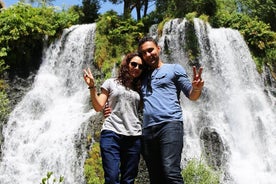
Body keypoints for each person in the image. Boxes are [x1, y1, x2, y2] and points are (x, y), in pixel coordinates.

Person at [138, 36, 204, 184]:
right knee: (155, 177)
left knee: (170, 171)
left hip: (170, 125)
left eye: (151, 50)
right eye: (144, 53)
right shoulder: (141, 77)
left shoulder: (174, 69)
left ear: (158, 49)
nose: (148, 54)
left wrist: (197, 88)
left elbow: (191, 95)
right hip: (147, 130)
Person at [83, 52, 145, 184]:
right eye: (134, 64)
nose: (137, 68)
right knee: (112, 177)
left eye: (140, 66)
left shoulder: (140, 89)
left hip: (134, 136)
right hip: (112, 133)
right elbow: (99, 106)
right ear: (127, 64)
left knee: (128, 180)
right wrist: (92, 87)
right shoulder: (111, 82)